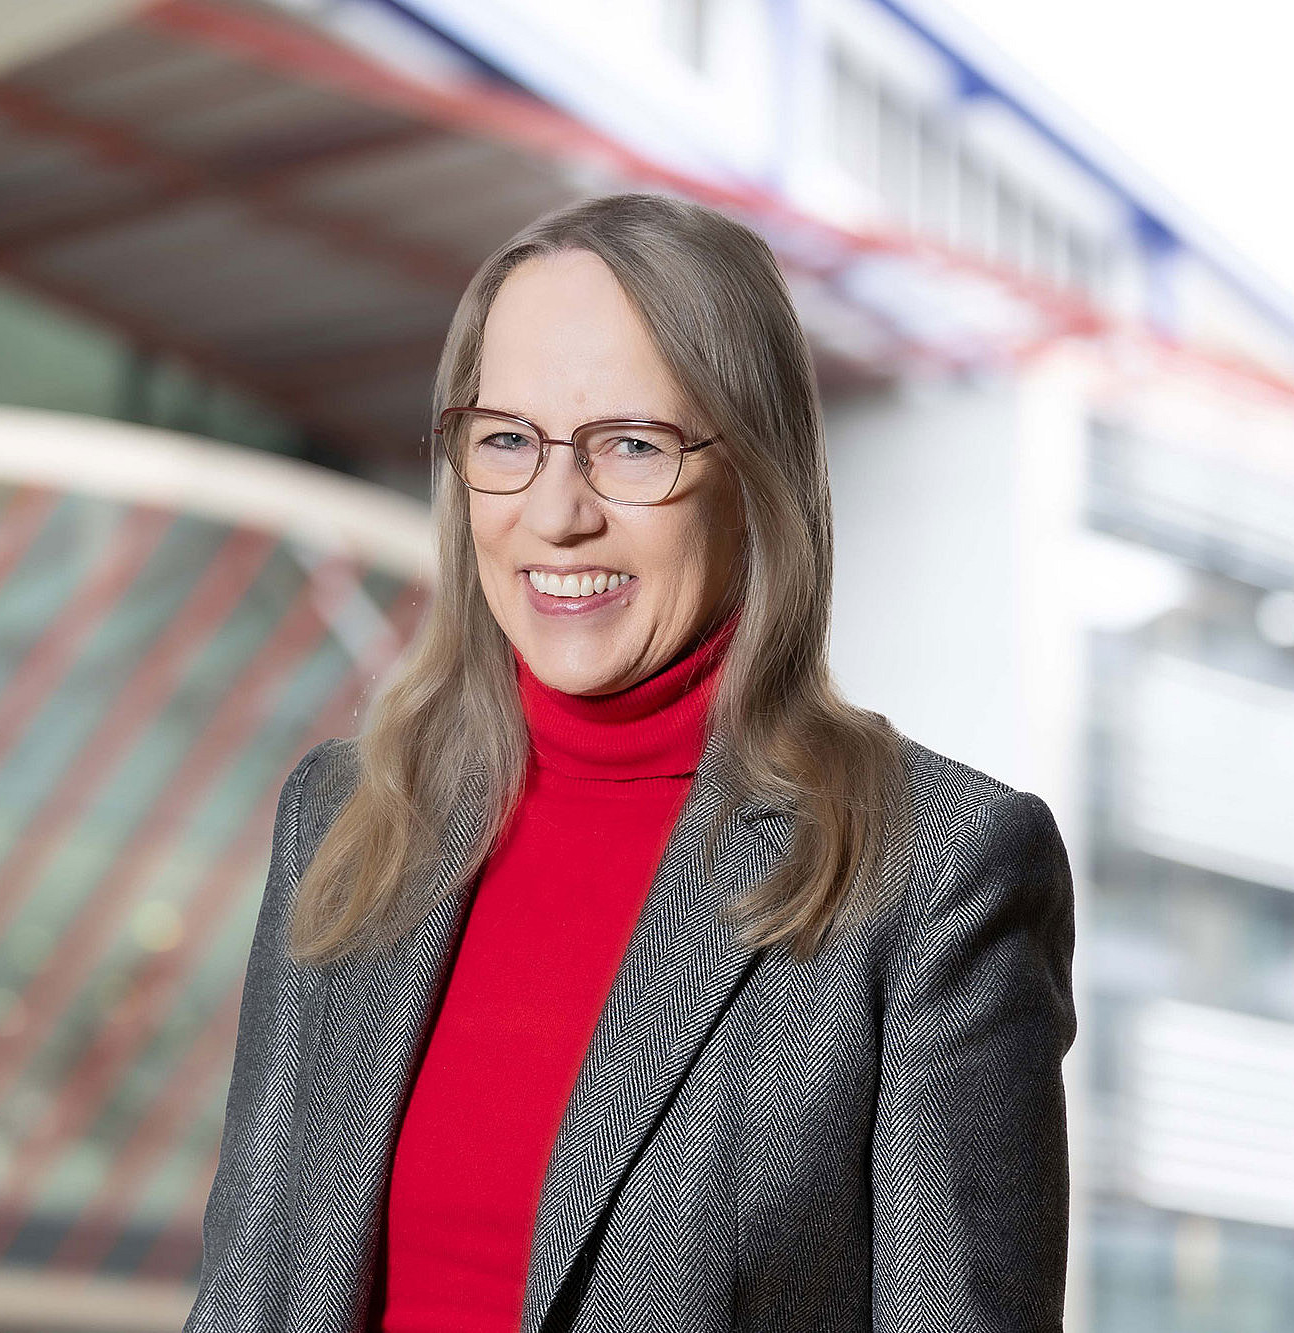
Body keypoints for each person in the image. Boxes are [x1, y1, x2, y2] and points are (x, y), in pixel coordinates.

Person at [184, 191, 1077, 1333]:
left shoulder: (934, 871)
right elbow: (251, 1294)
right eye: (507, 439)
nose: (557, 513)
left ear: (754, 479)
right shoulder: (350, 814)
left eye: (632, 446)